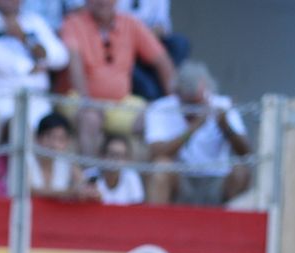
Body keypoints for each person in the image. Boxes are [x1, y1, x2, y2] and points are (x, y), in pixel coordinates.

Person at [57, 0, 172, 157]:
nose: (103, 2)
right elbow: (75, 66)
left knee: (155, 120)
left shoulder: (130, 23)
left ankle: (136, 173)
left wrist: (174, 102)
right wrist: (87, 101)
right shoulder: (73, 23)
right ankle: (91, 171)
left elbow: (163, 61)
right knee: (90, 118)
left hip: (120, 102)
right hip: (78, 97)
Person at [144, 60, 251, 206]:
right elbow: (156, 153)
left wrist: (226, 127)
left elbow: (246, 153)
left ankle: (234, 220)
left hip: (217, 180)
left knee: (241, 171)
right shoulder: (161, 108)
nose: (194, 108)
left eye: (198, 103)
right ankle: (154, 220)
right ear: (177, 95)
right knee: (161, 167)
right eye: (189, 103)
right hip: (182, 181)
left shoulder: (223, 105)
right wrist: (193, 128)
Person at [0, 0, 67, 131]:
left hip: (39, 99)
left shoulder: (33, 20)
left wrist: (25, 39)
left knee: (55, 130)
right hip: (2, 97)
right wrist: (31, 67)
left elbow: (61, 57)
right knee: (18, 128)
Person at [27, 111, 94, 200]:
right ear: (38, 138)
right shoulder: (25, 159)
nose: (54, 144)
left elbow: (83, 183)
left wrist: (90, 191)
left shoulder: (66, 161)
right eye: (50, 137)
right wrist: (71, 192)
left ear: (67, 142)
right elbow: (28, 190)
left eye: (61, 139)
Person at [88, 131, 142, 203]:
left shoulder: (132, 178)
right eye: (112, 154)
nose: (116, 159)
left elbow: (137, 207)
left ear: (126, 160)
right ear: (102, 156)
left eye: (120, 156)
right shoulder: (90, 176)